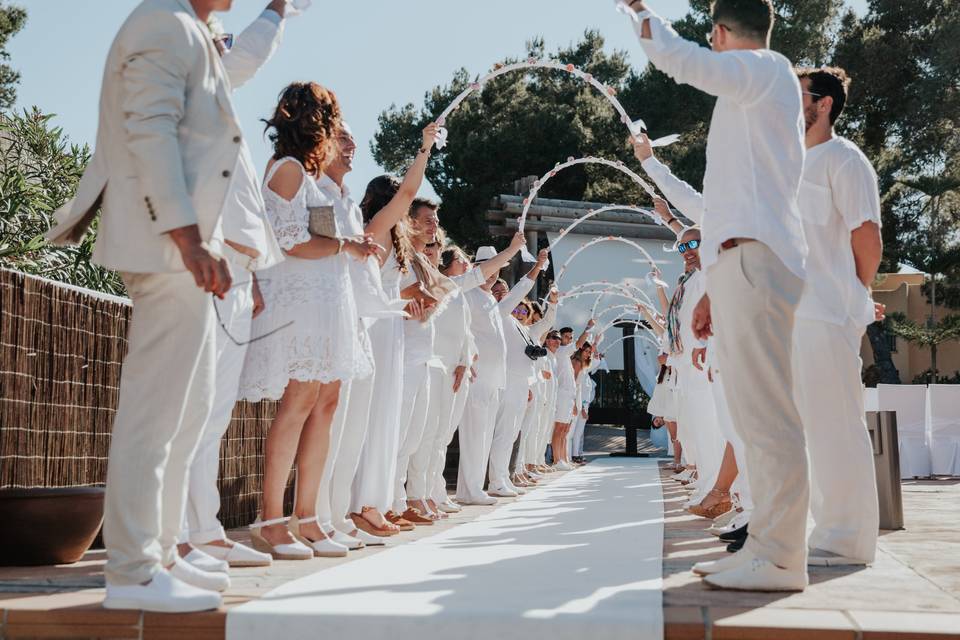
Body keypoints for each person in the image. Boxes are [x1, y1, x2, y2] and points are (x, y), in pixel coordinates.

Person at [45, 0, 241, 613]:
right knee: (155, 414)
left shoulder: (187, 27)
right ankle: (131, 570)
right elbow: (147, 130)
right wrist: (188, 238)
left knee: (188, 411)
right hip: (167, 250)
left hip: (185, 249)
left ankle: (159, 555)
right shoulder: (162, 23)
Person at [623, 0, 809, 591]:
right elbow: (718, 204)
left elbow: (682, 62)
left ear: (722, 33)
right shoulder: (751, 99)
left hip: (757, 257)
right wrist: (709, 289)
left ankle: (782, 556)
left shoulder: (765, 69)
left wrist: (639, 12)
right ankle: (764, 543)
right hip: (739, 259)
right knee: (751, 418)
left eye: (713, 36)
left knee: (766, 413)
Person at [238, 82, 377, 560]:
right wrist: (348, 246)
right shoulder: (290, 169)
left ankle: (310, 516)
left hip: (325, 298)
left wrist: (345, 245)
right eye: (333, 121)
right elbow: (290, 242)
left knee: (326, 399)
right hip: (300, 302)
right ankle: (272, 519)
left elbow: (313, 234)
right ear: (316, 124)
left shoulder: (309, 175)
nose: (338, 131)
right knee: (297, 402)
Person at [179, 0, 289, 573]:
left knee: (215, 410)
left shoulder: (223, 115)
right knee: (192, 405)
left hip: (240, 272)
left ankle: (204, 527)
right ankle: (181, 535)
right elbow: (245, 56)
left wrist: (257, 275)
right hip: (210, 263)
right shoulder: (185, 66)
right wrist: (276, 10)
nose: (224, 48)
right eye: (217, 40)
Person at [793, 66, 882, 566]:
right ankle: (822, 530)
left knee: (836, 426)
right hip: (792, 314)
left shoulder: (845, 160)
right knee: (807, 430)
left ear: (823, 104)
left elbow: (866, 236)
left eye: (797, 94)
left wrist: (852, 297)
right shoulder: (790, 164)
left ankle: (846, 540)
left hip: (828, 314)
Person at [346, 124, 441, 538]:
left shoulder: (380, 234)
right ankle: (363, 503)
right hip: (378, 331)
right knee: (374, 420)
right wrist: (425, 148)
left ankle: (375, 501)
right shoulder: (378, 230)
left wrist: (406, 305)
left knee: (383, 420)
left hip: (390, 329)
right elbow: (408, 192)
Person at [315, 122, 403, 551]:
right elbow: (307, 245)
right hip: (334, 321)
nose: (353, 146)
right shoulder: (314, 190)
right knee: (327, 425)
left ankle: (333, 514)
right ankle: (312, 516)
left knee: (352, 427)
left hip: (361, 326)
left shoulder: (346, 201)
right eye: (344, 138)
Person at [487, 251, 555, 497]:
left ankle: (503, 476)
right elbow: (521, 290)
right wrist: (537, 267)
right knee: (504, 432)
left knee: (512, 433)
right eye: (497, 291)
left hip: (520, 381)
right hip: (505, 380)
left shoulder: (515, 322)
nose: (501, 295)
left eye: (503, 292)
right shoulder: (498, 314)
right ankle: (496, 479)